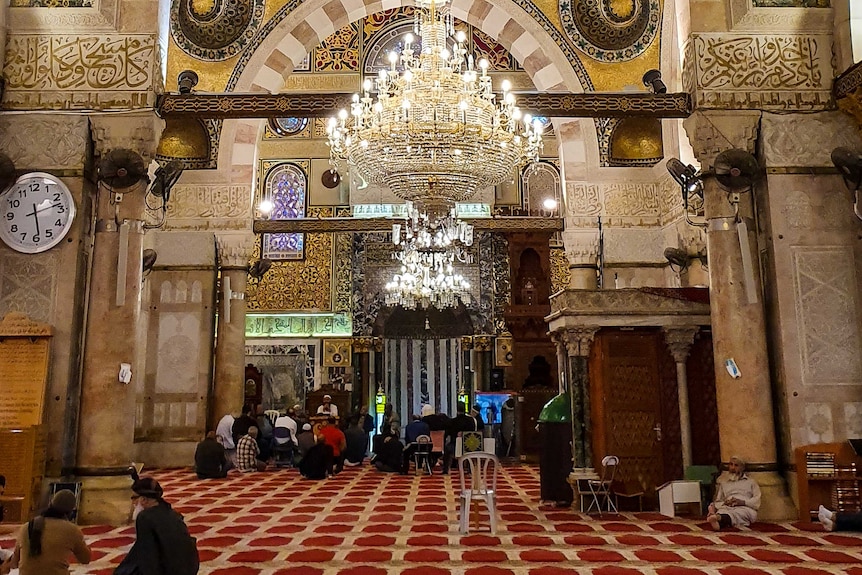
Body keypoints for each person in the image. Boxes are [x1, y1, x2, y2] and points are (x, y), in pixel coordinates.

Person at [113, 477, 199, 575]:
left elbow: (148, 555)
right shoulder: (172, 513)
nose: (133, 503)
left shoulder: (145, 517)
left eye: (134, 498)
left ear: (143, 499)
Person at [3, 489, 90, 575]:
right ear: (71, 512)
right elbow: (85, 559)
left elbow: (14, 563)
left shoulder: (27, 526)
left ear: (50, 504)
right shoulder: (72, 530)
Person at [706, 456, 761, 531]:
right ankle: (718, 522)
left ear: (742, 468)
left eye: (736, 465)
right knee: (722, 511)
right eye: (731, 464)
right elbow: (718, 501)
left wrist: (742, 502)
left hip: (744, 508)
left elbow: (757, 500)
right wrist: (725, 503)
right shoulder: (724, 483)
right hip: (728, 507)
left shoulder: (751, 482)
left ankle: (718, 518)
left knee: (739, 513)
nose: (732, 468)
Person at [442, 403, 478, 475]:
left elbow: (446, 435)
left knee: (447, 449)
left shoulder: (452, 422)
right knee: (470, 450)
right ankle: (470, 469)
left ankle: (446, 470)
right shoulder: (471, 421)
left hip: (454, 446)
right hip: (468, 446)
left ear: (457, 410)